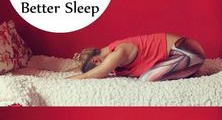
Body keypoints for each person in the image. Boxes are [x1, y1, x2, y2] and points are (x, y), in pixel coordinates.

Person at [66, 32, 205, 82]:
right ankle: (190, 71)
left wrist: (65, 81)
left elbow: (95, 73)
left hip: (188, 51)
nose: (108, 70)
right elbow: (93, 71)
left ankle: (191, 69)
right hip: (185, 54)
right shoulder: (110, 51)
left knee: (146, 79)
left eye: (103, 66)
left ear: (97, 60)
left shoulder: (118, 53)